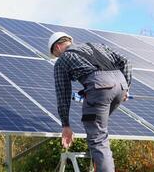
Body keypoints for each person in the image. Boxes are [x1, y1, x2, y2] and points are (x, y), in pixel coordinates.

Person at [48, 32, 132, 172]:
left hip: (100, 87)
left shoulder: (63, 59)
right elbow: (126, 61)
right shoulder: (96, 45)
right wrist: (126, 88)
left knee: (98, 139)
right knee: (98, 132)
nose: (57, 57)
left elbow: (63, 94)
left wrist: (66, 125)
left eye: (56, 54)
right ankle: (98, 164)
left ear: (57, 47)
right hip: (120, 84)